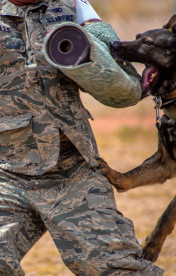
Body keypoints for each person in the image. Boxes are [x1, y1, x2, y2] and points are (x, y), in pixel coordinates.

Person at [0, 0, 164, 275]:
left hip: (73, 169)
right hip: (7, 173)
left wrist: (90, 56)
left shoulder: (73, 7)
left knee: (112, 268)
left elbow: (122, 85)